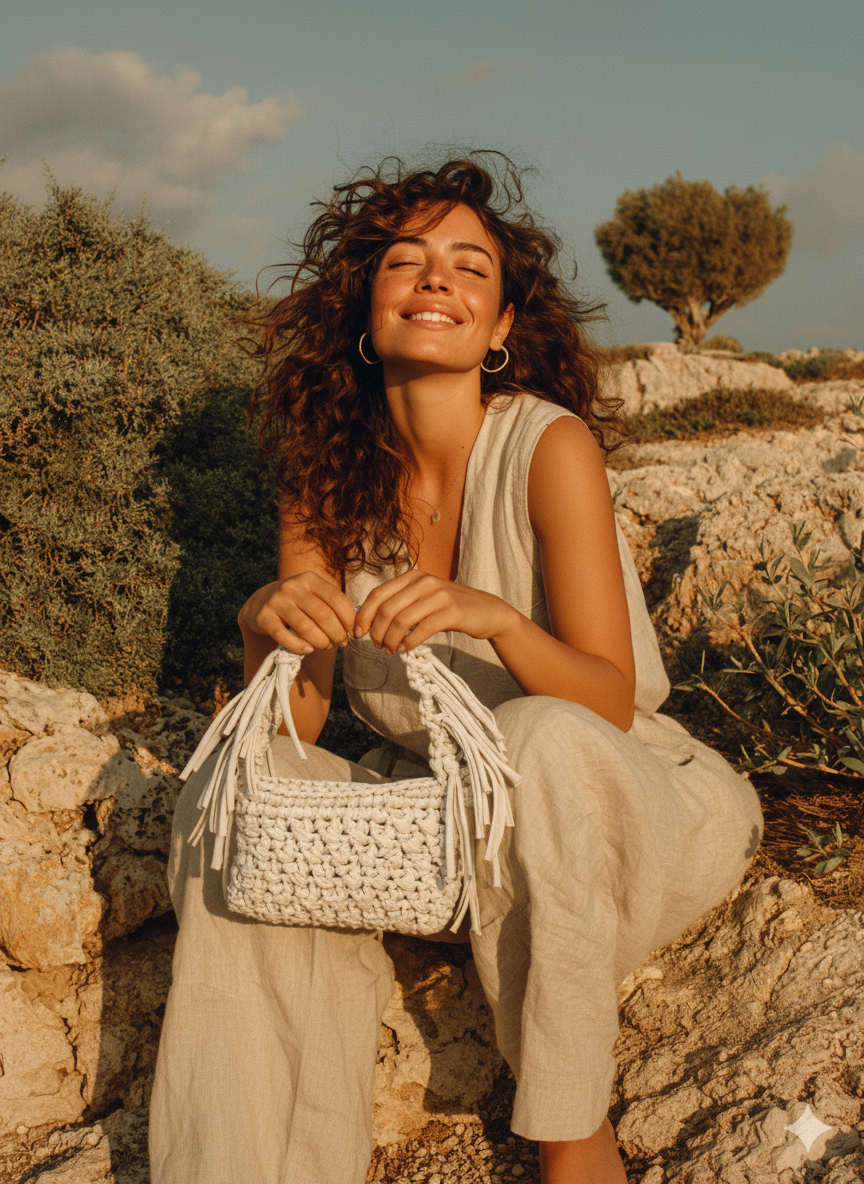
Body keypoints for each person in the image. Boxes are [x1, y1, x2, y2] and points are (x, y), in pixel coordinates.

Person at [149, 154, 764, 1184]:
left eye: (470, 267)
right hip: (448, 826)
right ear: (366, 303)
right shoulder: (325, 471)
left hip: (621, 807)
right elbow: (298, 727)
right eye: (406, 261)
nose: (436, 278)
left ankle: (571, 1128)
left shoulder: (549, 447)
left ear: (501, 325)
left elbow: (610, 700)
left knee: (538, 732)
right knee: (230, 793)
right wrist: (265, 629)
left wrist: (499, 622)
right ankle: (251, 1160)